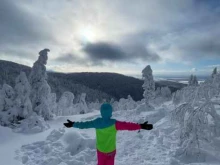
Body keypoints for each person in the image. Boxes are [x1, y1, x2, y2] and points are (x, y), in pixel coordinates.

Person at [63, 103, 153, 165]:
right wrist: (141, 126)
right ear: (110, 113)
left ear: (101, 112)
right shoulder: (115, 124)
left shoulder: (97, 122)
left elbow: (84, 125)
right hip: (111, 151)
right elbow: (128, 126)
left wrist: (73, 124)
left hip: (100, 150)